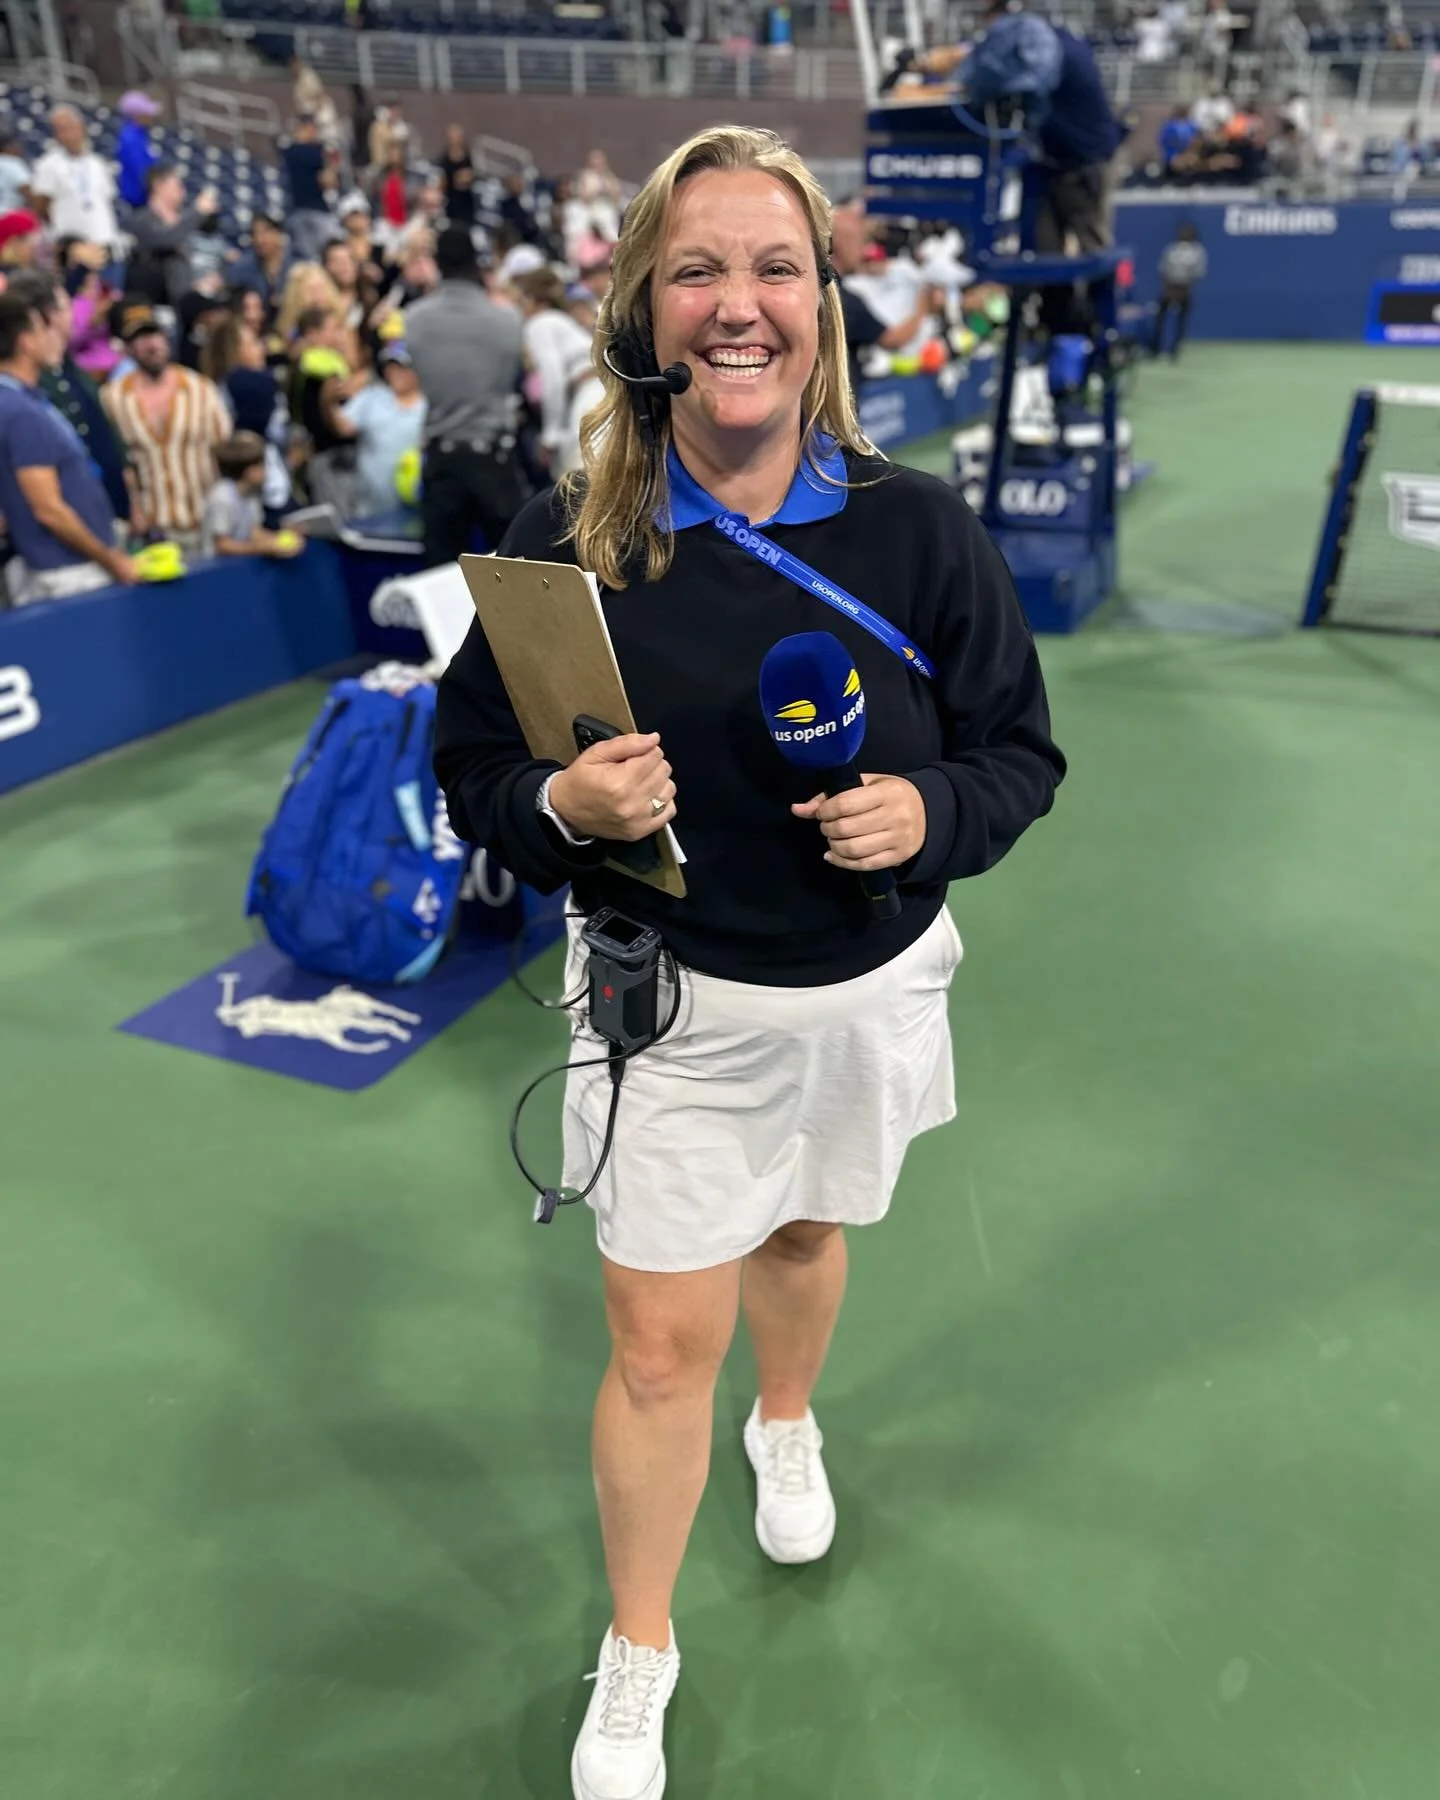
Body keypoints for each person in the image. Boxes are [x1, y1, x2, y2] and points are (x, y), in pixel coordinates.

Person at [431, 124, 1065, 1800]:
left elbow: (1019, 755)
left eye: (774, 267)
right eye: (698, 268)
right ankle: (642, 1644)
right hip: (667, 1008)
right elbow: (471, 766)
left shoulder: (921, 531)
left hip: (861, 992)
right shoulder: (568, 535)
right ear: (645, 306)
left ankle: (789, 1420)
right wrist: (559, 798)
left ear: (822, 304)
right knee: (653, 1345)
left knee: (801, 1231)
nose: (739, 304)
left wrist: (924, 814)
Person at [0, 291, 136, 604]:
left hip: (70, 568)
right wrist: (109, 558)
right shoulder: (20, 412)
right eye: (45, 329)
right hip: (68, 574)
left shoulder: (26, 401)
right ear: (26, 341)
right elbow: (49, 509)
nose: (58, 336)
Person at [404, 223, 525, 565]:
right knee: (512, 579)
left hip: (444, 463)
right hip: (495, 461)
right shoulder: (508, 319)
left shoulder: (414, 319)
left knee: (440, 583)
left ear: (438, 264)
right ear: (476, 262)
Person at [962, 0, 1124, 253]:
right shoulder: (1052, 41)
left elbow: (1021, 81)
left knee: (1092, 246)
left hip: (1085, 162)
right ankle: (1054, 293)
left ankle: (1098, 292)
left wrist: (967, 81)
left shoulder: (1046, 48)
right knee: (1045, 249)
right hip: (1054, 160)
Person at [102, 304, 232, 553]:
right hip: (153, 530)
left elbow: (224, 449)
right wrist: (133, 509)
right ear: (128, 348)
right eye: (140, 339)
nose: (151, 345)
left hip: (203, 521)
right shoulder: (112, 399)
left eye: (155, 335)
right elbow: (118, 464)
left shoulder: (201, 389)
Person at [829, 198, 942, 397]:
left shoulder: (835, 293)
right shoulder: (842, 301)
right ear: (839, 243)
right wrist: (923, 303)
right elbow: (893, 339)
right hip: (832, 408)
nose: (864, 250)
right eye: (861, 241)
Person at [510, 264, 600, 479]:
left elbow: (553, 378)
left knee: (582, 483)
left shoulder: (540, 323)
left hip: (589, 395)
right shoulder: (559, 320)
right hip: (596, 389)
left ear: (531, 298)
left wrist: (551, 435)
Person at [342, 339, 426, 511]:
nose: (395, 373)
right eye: (391, 367)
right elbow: (343, 427)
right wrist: (326, 402)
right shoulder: (370, 397)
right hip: (370, 506)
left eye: (402, 367)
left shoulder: (430, 406)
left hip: (416, 503)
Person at [28, 107, 120, 251]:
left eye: (72, 127)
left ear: (82, 128)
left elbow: (107, 199)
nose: (69, 135)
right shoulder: (48, 165)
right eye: (61, 129)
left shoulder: (97, 163)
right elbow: (41, 207)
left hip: (103, 239)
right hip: (71, 245)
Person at [201, 432, 304, 559]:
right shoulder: (221, 498)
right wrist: (265, 548)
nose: (266, 472)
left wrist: (279, 542)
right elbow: (222, 545)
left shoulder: (252, 496)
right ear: (249, 471)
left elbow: (253, 532)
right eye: (262, 466)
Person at [281, 114, 337, 262]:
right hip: (314, 210)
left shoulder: (289, 151)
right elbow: (328, 181)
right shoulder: (316, 151)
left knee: (310, 258)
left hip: (297, 210)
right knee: (327, 253)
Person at [1152, 220, 1206, 359]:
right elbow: (1163, 268)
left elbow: (1198, 273)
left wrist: (1184, 287)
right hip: (1169, 288)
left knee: (1181, 321)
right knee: (1160, 316)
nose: (1184, 235)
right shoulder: (1171, 249)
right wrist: (1168, 288)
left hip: (1184, 290)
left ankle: (1175, 348)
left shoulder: (1198, 252)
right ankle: (1156, 347)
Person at [115, 91, 161, 212]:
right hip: (138, 201)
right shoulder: (130, 138)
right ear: (137, 115)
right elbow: (141, 171)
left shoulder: (141, 136)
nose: (151, 116)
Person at [438, 124, 477, 226]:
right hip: (451, 199)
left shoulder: (467, 157)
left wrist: (468, 176)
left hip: (466, 199)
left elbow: (473, 174)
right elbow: (442, 180)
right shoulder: (444, 159)